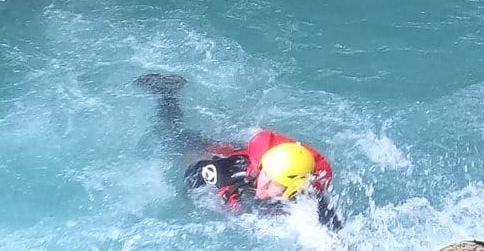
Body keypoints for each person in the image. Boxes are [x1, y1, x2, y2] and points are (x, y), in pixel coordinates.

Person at [138, 73, 342, 230]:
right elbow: (195, 173)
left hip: (265, 159)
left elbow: (330, 226)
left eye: (275, 185)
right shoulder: (239, 172)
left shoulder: (304, 194)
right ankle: (166, 92)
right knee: (176, 140)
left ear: (292, 189)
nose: (264, 185)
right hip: (233, 156)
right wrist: (190, 202)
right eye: (266, 176)